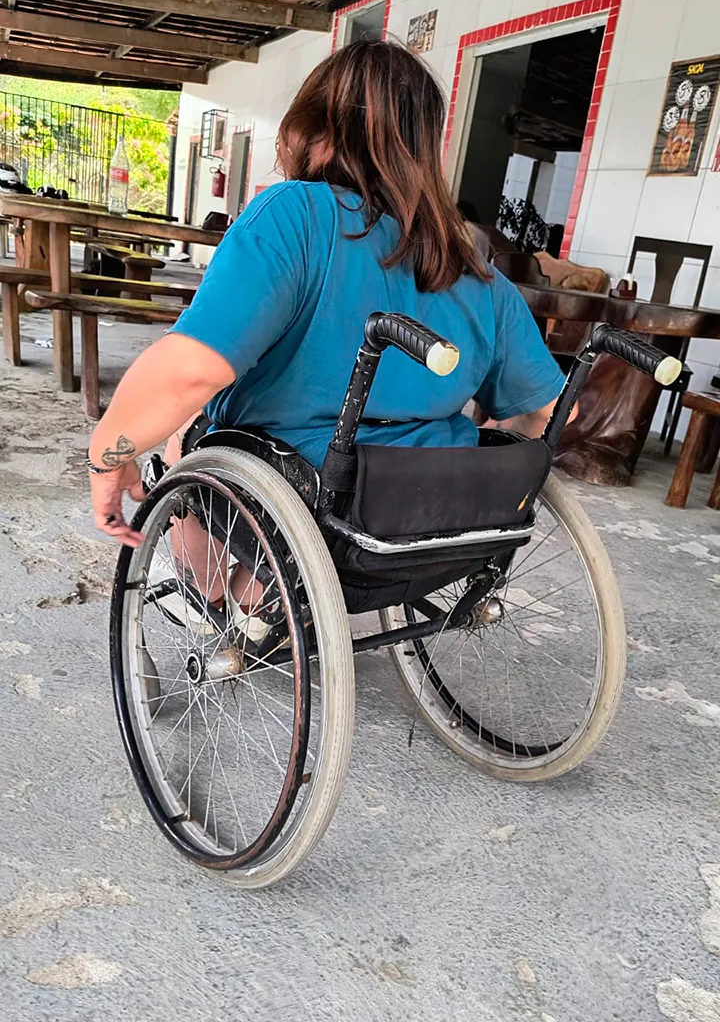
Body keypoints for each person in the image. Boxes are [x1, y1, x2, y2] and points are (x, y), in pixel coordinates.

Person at [87, 40, 568, 626]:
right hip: (422, 508)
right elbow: (544, 413)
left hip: (304, 492)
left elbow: (193, 371)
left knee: (185, 431)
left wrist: (108, 451)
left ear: (316, 132)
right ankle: (265, 599)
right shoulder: (475, 271)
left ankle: (218, 605)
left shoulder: (295, 214)